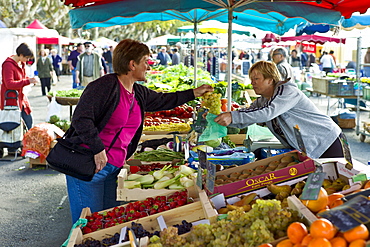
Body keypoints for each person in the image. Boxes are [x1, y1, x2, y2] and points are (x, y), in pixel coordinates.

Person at [64, 38, 213, 223]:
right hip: (89, 166)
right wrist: (97, 149)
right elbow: (81, 119)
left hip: (113, 168)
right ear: (132, 64)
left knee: (105, 224)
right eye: (145, 62)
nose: (148, 67)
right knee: (86, 224)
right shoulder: (104, 86)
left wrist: (193, 93)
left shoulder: (137, 92)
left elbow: (163, 100)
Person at [214, 61, 349, 160]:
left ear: (270, 80)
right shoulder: (263, 100)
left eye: (256, 78)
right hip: (308, 148)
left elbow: (267, 113)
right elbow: (248, 116)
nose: (253, 82)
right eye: (251, 79)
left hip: (327, 141)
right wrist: (221, 120)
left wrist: (233, 116)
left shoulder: (288, 91)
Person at [1, 43, 37, 132]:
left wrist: (30, 80)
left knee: (29, 121)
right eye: (26, 58)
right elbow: (9, 84)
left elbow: (22, 79)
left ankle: (25, 143)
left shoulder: (21, 63)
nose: (27, 60)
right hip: (10, 99)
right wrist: (28, 81)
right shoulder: (8, 65)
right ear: (20, 55)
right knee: (12, 125)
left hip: (21, 97)